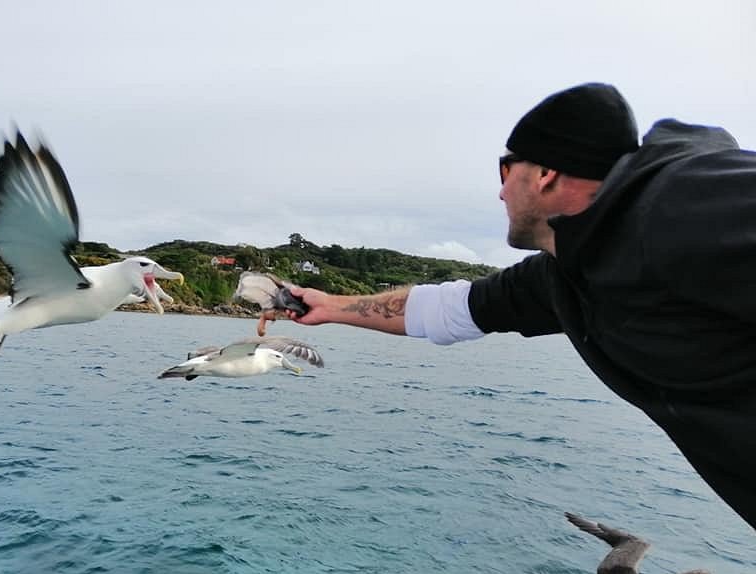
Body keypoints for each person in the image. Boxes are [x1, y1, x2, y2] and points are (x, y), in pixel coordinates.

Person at [279, 82, 756, 531]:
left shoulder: (681, 201)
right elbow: (452, 307)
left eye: (505, 170)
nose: (501, 191)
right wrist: (331, 305)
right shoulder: (565, 271)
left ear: (545, 172)